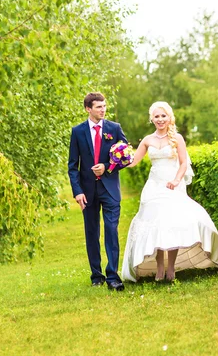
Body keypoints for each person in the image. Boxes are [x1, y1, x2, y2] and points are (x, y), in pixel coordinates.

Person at [121, 101, 218, 282]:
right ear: (152, 119)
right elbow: (133, 161)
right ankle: (159, 267)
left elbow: (183, 163)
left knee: (170, 224)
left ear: (169, 117)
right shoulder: (147, 140)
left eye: (163, 116)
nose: (160, 119)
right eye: (156, 116)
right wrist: (116, 158)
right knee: (156, 224)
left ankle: (170, 268)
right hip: (153, 187)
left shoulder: (177, 138)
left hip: (172, 185)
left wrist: (177, 180)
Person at [68, 92, 127, 291]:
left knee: (111, 230)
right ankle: (97, 275)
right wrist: (77, 192)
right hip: (87, 192)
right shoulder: (77, 132)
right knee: (92, 233)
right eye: (99, 107)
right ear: (88, 109)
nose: (103, 110)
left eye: (104, 106)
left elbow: (125, 156)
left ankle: (113, 276)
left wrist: (107, 166)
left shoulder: (114, 128)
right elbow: (72, 165)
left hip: (109, 189)